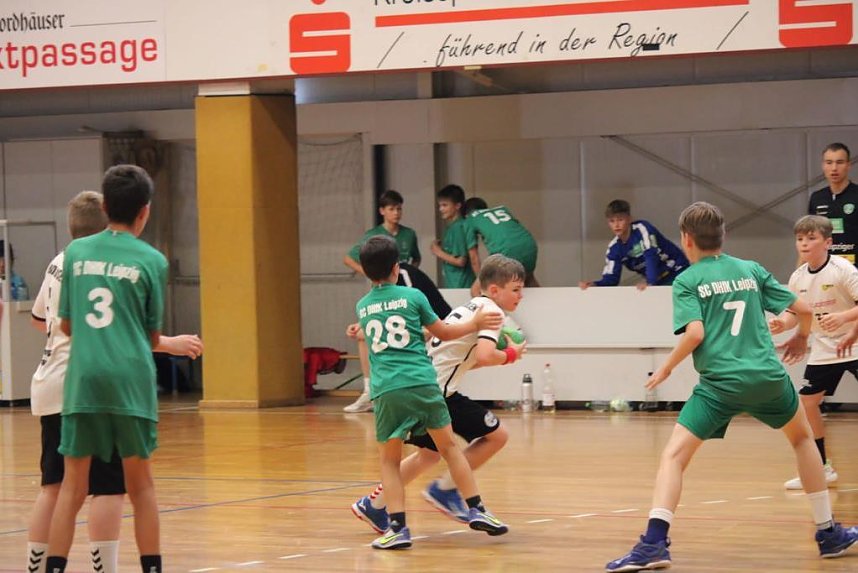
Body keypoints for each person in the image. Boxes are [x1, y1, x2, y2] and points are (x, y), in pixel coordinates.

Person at [606, 202, 858, 572]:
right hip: (768, 379)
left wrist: (666, 368)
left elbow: (695, 333)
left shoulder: (687, 280)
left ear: (686, 240)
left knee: (674, 456)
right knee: (803, 440)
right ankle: (828, 532)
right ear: (723, 237)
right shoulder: (750, 269)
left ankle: (654, 543)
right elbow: (803, 309)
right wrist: (801, 339)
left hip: (720, 384)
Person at [27, 191, 202, 573]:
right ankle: (106, 567)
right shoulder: (107, 261)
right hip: (90, 384)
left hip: (50, 379)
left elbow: (42, 319)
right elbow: (126, 330)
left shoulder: (59, 262)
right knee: (109, 487)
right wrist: (172, 344)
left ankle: (37, 566)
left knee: (53, 487)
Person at [44, 165, 170, 573]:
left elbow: (66, 324)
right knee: (141, 486)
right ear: (144, 212)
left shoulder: (76, 253)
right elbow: (152, 337)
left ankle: (54, 568)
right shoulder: (153, 259)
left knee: (73, 487)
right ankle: (151, 568)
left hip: (83, 382)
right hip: (130, 382)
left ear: (105, 205)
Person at [350, 254, 527, 532]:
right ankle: (445, 490)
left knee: (429, 454)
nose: (521, 296)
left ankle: (374, 504)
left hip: (429, 382)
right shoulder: (491, 312)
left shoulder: (472, 305)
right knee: (496, 436)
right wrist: (510, 354)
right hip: (435, 391)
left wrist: (500, 355)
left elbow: (471, 359)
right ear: (495, 290)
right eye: (516, 289)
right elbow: (485, 354)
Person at [770, 215, 858, 490]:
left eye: (811, 238)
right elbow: (795, 313)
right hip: (823, 347)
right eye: (800, 239)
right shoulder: (797, 277)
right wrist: (781, 323)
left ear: (828, 242)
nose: (804, 244)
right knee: (807, 403)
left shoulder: (844, 270)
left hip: (854, 341)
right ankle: (821, 467)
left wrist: (843, 318)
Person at [343, 261, 451, 413]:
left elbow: (410, 308)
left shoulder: (404, 277)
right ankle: (370, 392)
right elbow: (381, 309)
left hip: (437, 320)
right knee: (362, 335)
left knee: (368, 335)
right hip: (412, 322)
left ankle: (400, 389)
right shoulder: (379, 283)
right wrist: (360, 324)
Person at [580, 199, 688, 291]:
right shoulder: (614, 248)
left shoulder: (643, 228)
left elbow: (651, 255)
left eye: (620, 220)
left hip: (679, 271)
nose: (616, 225)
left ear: (629, 219)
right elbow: (612, 278)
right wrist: (595, 285)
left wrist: (650, 282)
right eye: (612, 221)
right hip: (659, 282)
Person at [463, 197, 539, 294]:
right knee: (528, 280)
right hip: (529, 245)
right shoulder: (502, 209)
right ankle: (549, 306)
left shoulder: (470, 219)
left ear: (466, 214)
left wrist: (483, 279)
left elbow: (474, 258)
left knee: (476, 290)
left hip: (507, 250)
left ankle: (489, 309)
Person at [343, 189, 420, 275]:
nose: (396, 213)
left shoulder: (409, 234)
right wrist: (371, 274)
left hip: (403, 284)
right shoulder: (372, 235)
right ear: (382, 211)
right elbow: (348, 259)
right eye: (391, 209)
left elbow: (416, 258)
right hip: (383, 285)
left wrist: (411, 273)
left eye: (399, 209)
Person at [808, 143, 857, 265]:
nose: (834, 168)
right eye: (829, 162)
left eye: (839, 162)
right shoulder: (817, 198)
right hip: (825, 269)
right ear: (823, 165)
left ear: (848, 165)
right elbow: (809, 237)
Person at [431, 184, 476, 288]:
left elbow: (461, 261)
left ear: (457, 206)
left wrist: (437, 251)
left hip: (461, 285)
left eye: (445, 205)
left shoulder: (458, 227)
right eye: (440, 205)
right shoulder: (452, 227)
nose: (441, 209)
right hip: (454, 283)